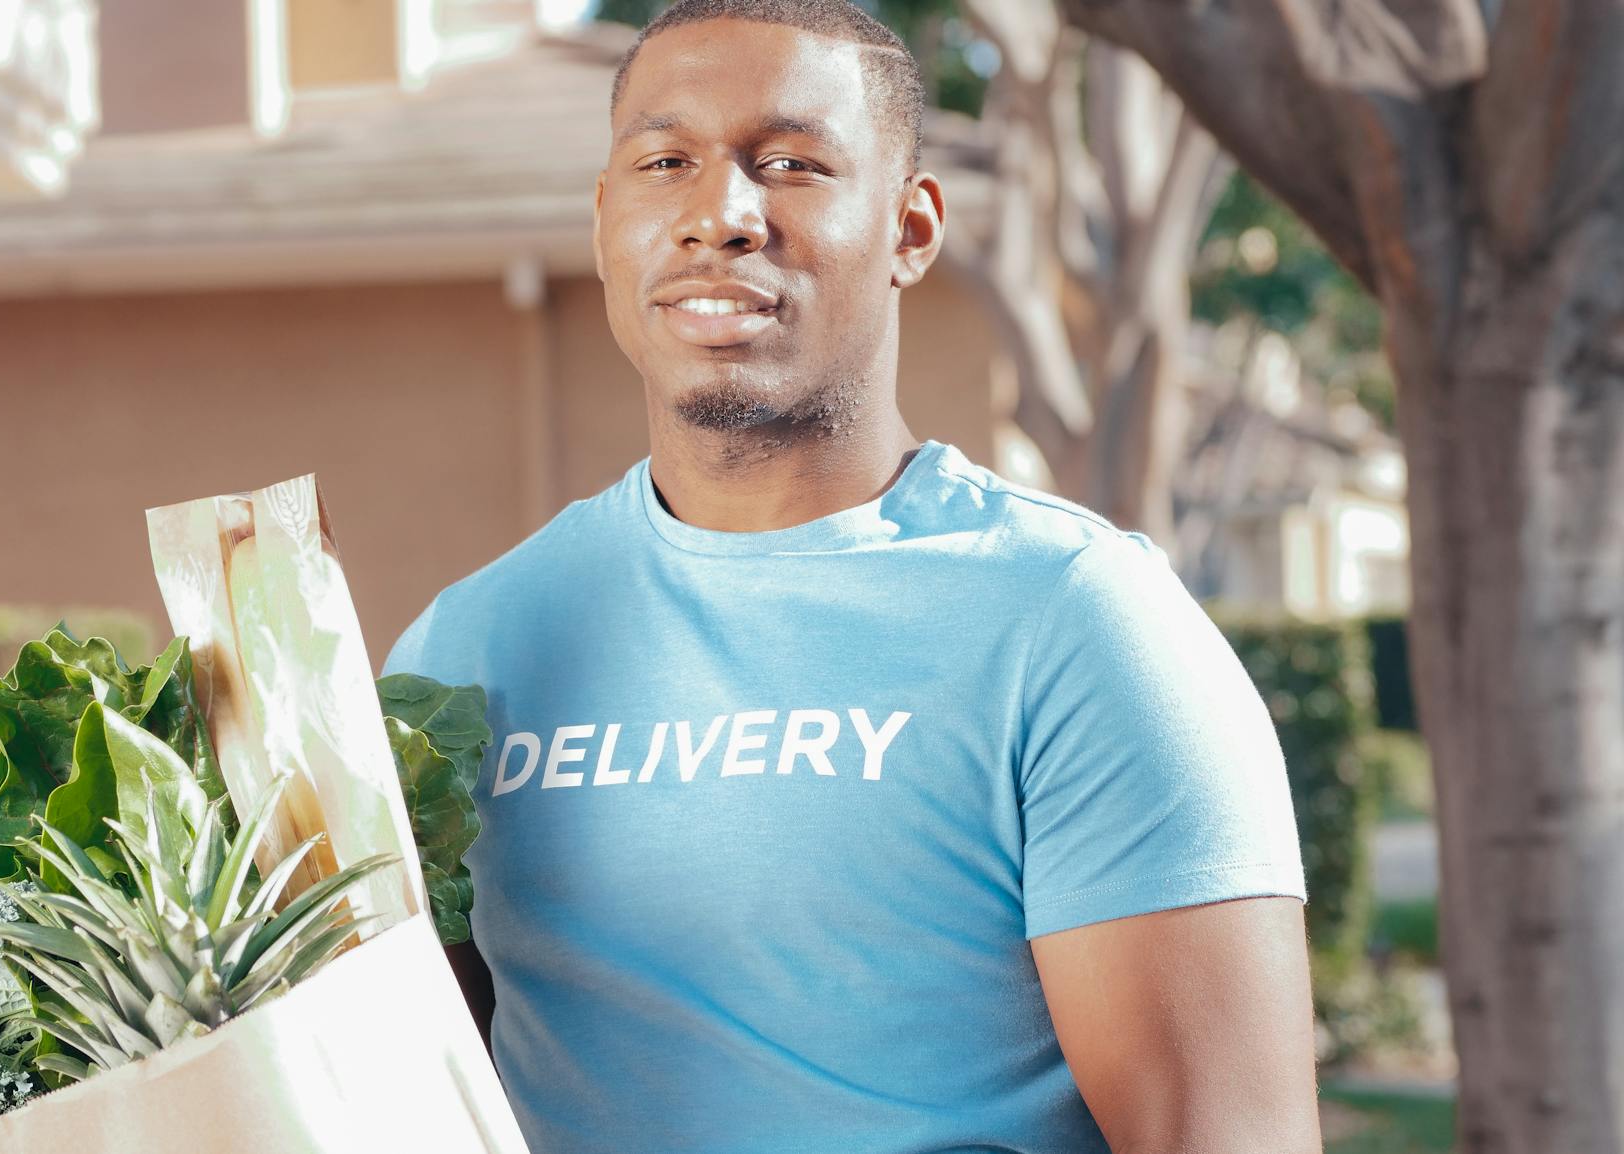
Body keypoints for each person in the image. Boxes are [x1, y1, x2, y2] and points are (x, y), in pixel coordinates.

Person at [381, 2, 1320, 1151]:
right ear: (603, 220)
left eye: (790, 164)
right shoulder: (462, 651)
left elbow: (1219, 1134)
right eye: (664, 163)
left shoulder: (1075, 624)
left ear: (909, 228)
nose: (718, 214)